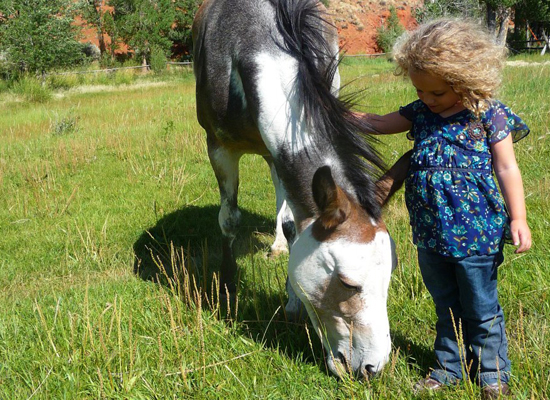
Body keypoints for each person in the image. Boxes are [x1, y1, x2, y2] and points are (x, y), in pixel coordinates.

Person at [357, 19, 532, 399]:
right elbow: (379, 123)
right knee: (446, 306)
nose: (426, 98)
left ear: (464, 80)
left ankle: (492, 375)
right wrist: (338, 114)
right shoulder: (421, 113)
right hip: (430, 234)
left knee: (482, 308)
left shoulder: (488, 114)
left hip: (477, 234)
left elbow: (507, 167)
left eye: (435, 91)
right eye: (419, 89)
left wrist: (518, 217)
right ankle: (448, 368)